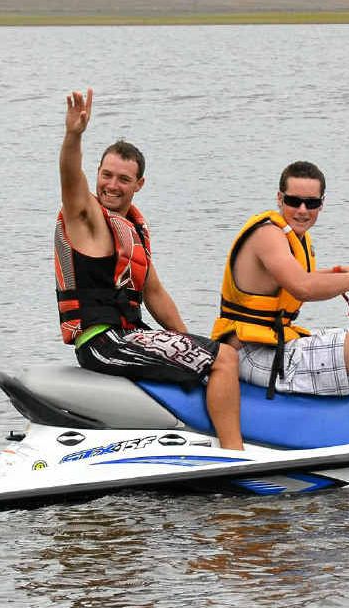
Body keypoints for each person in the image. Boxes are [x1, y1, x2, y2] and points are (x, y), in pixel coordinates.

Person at [56, 88, 243, 450]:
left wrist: (189, 341)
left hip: (127, 336)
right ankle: (235, 454)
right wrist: (73, 136)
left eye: (123, 179)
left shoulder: (133, 230)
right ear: (96, 173)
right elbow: (69, 178)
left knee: (223, 349)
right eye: (106, 175)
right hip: (103, 341)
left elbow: (154, 293)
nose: (112, 185)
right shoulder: (87, 220)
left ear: (139, 185)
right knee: (225, 359)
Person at [210, 160, 349, 433]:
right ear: (280, 198)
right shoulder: (268, 235)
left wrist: (342, 276)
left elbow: (295, 278)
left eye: (311, 203)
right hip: (252, 353)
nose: (302, 210)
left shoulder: (293, 236)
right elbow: (302, 287)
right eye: (294, 201)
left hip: (273, 343)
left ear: (322, 203)